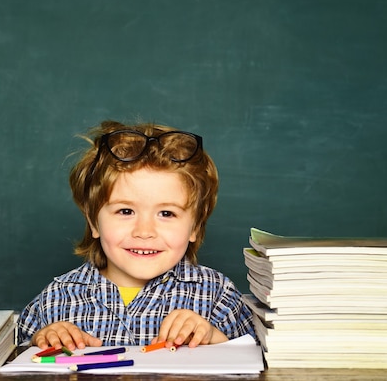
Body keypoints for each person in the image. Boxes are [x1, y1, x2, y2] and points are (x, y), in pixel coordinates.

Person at [17, 120, 256, 352]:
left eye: (166, 213)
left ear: (195, 225)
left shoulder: (217, 296)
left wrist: (213, 338)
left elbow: (259, 363)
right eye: (125, 211)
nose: (144, 232)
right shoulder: (55, 299)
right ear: (93, 221)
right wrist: (42, 341)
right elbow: (14, 358)